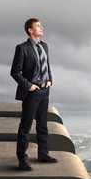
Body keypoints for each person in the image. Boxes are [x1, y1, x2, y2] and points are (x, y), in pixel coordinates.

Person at [11, 18, 58, 171]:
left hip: (45, 91)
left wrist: (50, 80)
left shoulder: (45, 46)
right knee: (25, 126)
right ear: (30, 30)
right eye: (38, 26)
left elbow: (47, 67)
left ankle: (43, 154)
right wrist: (30, 86)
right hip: (32, 92)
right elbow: (15, 72)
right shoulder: (22, 48)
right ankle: (22, 159)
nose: (41, 27)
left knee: (43, 124)